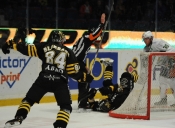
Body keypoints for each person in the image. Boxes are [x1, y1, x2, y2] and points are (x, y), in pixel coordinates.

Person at [1, 30, 93, 128]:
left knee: (28, 100)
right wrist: (86, 77)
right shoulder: (68, 52)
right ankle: (60, 125)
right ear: (62, 40)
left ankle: (19, 117)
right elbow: (73, 72)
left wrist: (10, 44)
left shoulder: (43, 46)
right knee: (65, 107)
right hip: (60, 82)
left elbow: (26, 49)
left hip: (43, 79)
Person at [72, 13, 105, 111]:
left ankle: (82, 102)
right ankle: (82, 102)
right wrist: (102, 25)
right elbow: (94, 35)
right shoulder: (87, 37)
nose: (95, 40)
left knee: (84, 79)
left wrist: (84, 66)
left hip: (75, 62)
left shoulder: (82, 40)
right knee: (87, 79)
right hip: (75, 62)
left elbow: (78, 55)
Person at [142, 31, 175, 107]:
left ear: (151, 38)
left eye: (146, 39)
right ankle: (163, 100)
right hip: (164, 65)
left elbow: (171, 50)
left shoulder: (158, 42)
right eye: (144, 39)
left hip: (171, 64)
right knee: (162, 81)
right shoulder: (147, 48)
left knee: (172, 83)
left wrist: (172, 64)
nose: (145, 41)